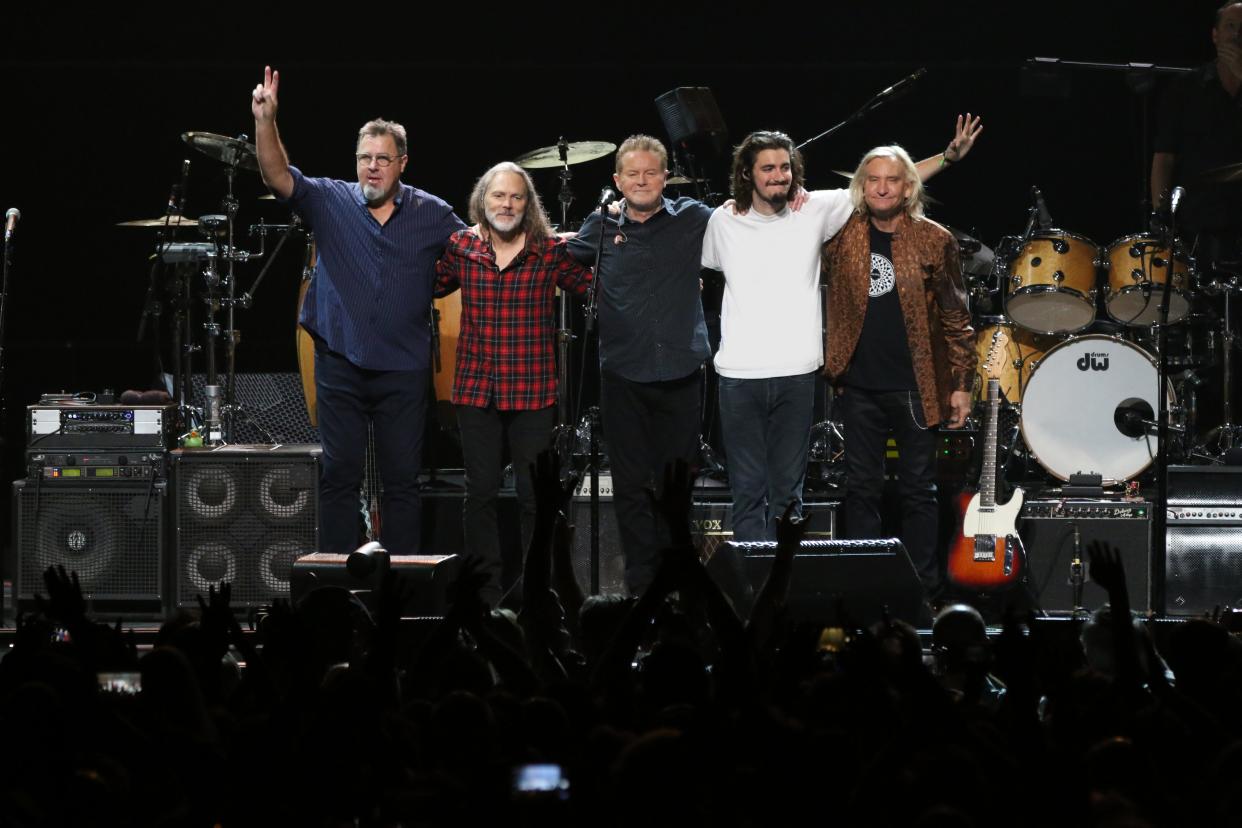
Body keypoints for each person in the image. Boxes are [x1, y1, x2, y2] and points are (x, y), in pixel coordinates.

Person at [701, 118, 980, 544]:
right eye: (767, 169)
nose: (778, 176)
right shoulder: (724, 221)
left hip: (820, 375)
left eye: (784, 167)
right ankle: (750, 592)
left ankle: (794, 587)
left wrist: (947, 158)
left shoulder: (816, 209)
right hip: (757, 378)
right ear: (747, 174)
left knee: (796, 496)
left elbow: (887, 181)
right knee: (752, 491)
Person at [251, 66, 465, 555]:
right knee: (339, 477)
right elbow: (277, 176)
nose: (372, 167)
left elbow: (475, 247)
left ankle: (406, 591)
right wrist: (266, 120)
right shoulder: (330, 200)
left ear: (402, 163)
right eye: (364, 158)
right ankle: (338, 589)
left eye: (383, 159)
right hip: (340, 363)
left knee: (402, 484)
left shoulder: (431, 212)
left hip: (403, 369)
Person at [822, 144, 976, 600]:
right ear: (861, 186)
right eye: (873, 180)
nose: (882, 188)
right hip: (858, 385)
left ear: (909, 187)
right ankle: (865, 587)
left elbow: (955, 315)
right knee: (862, 490)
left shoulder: (934, 238)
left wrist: (962, 386)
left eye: (892, 180)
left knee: (917, 493)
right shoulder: (840, 234)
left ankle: (921, 590)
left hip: (916, 387)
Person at [434, 162, 592, 606]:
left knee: (533, 498)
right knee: (479, 493)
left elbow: (592, 288)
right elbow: (423, 284)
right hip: (476, 390)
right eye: (499, 196)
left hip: (533, 391)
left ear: (529, 204)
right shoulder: (461, 246)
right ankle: (485, 595)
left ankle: (536, 590)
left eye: (516, 197)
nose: (507, 204)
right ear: (483, 200)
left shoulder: (547, 250)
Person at [566, 136, 715, 596]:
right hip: (623, 376)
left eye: (651, 172)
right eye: (633, 173)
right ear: (618, 180)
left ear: (666, 177)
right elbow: (557, 256)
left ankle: (676, 586)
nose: (642, 181)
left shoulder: (694, 218)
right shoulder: (600, 227)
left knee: (675, 491)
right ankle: (640, 586)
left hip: (681, 374)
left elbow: (744, 221)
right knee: (630, 488)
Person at [1151, 1, 1242, 243]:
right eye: (1230, 26)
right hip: (1197, 220)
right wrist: (1162, 215)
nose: (1237, 35)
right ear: (1215, 35)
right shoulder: (1186, 88)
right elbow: (1164, 156)